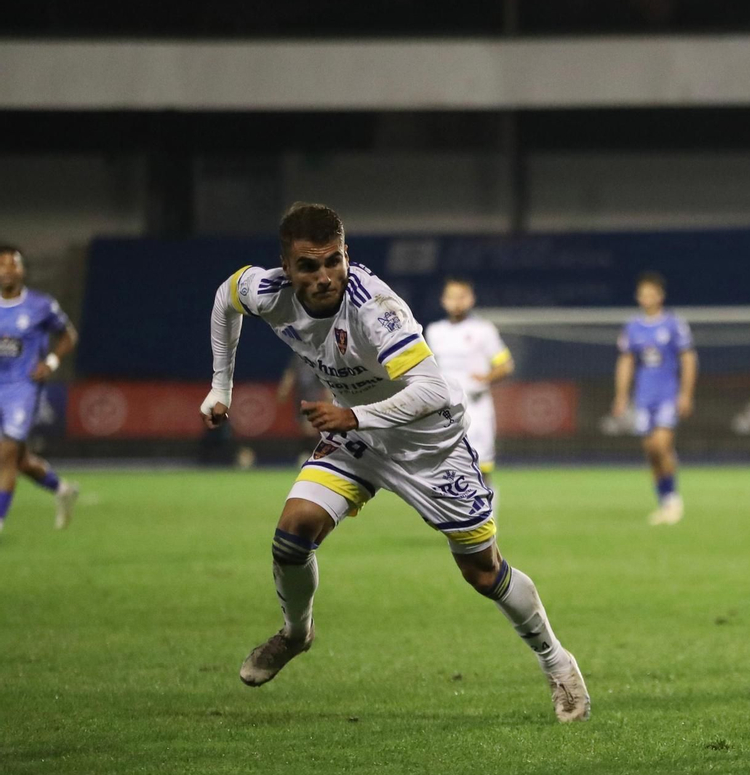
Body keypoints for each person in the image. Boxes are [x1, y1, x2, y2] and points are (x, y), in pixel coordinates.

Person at [200, 202, 589, 721]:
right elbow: (224, 300)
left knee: (482, 572)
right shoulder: (266, 291)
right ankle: (296, 633)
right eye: (309, 266)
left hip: (428, 444)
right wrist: (220, 388)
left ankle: (556, 661)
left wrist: (353, 415)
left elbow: (432, 390)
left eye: (334, 261)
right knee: (293, 534)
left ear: (346, 254)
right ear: (286, 267)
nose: (324, 276)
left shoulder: (375, 306)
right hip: (358, 438)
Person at [0, 246, 80, 537]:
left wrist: (52, 361)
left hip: (23, 389)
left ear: (23, 270)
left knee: (6, 454)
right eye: (2, 265)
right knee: (19, 460)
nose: (8, 270)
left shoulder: (40, 305)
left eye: (14, 264)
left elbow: (68, 334)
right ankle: (62, 489)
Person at [612, 273, 697, 525]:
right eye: (643, 294)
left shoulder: (673, 324)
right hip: (644, 397)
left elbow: (688, 359)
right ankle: (664, 501)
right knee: (651, 452)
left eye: (651, 294)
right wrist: (621, 396)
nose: (647, 298)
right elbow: (626, 362)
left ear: (660, 296)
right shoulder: (632, 327)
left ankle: (673, 500)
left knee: (661, 445)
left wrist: (686, 394)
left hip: (667, 395)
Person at [425, 279, 514, 478]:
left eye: (461, 297)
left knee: (481, 466)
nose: (456, 302)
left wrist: (486, 378)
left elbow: (505, 365)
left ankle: (486, 499)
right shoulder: (434, 332)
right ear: (443, 300)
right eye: (451, 297)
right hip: (445, 409)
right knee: (445, 470)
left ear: (471, 299)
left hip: (476, 407)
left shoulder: (483, 330)